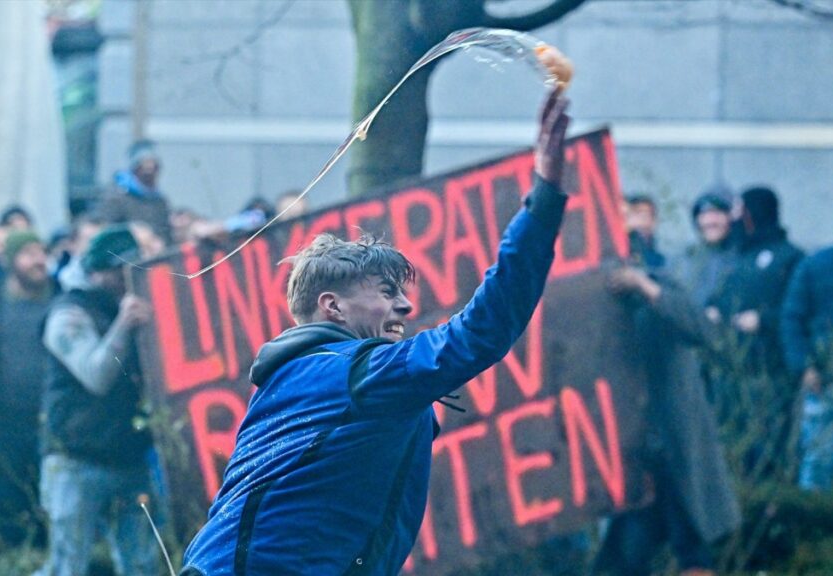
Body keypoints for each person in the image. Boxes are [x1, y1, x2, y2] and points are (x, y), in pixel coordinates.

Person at [181, 48, 573, 576]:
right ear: (332, 305)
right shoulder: (348, 374)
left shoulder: (302, 377)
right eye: (386, 292)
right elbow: (480, 332)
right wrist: (543, 203)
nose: (406, 305)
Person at [593, 235, 740, 576]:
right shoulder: (590, 310)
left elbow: (702, 330)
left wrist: (645, 288)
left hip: (674, 450)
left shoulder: (659, 286)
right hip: (633, 455)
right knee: (622, 560)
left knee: (692, 550)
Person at [35, 225, 160, 576]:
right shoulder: (67, 313)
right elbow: (96, 375)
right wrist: (123, 324)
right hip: (75, 458)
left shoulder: (135, 300)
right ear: (97, 272)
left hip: (127, 456)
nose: (126, 279)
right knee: (67, 566)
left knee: (142, 565)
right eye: (119, 271)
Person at [708, 186, 803, 473]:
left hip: (770, 372)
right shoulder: (738, 260)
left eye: (741, 210)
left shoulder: (790, 258)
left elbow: (797, 312)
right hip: (732, 371)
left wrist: (764, 321)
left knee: (769, 447)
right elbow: (720, 298)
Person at [0, 231, 55, 547]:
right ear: (10, 261)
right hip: (2, 417)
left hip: (47, 414)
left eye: (41, 252)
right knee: (6, 486)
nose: (38, 260)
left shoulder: (58, 298)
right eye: (28, 253)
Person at [782, 188, 833, 490]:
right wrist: (803, 366)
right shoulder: (815, 265)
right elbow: (792, 318)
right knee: (819, 463)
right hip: (823, 384)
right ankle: (812, 532)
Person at [673, 185, 738, 309]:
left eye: (717, 213)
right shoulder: (684, 259)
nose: (710, 221)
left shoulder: (741, 259)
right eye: (704, 214)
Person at [97, 139, 173, 243]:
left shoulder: (159, 201)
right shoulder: (118, 198)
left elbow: (165, 232)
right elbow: (106, 229)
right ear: (136, 169)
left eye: (154, 169)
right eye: (145, 168)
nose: (151, 174)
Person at [622, 194, 666, 269]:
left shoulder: (662, 256)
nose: (642, 219)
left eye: (647, 214)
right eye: (638, 213)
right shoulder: (625, 247)